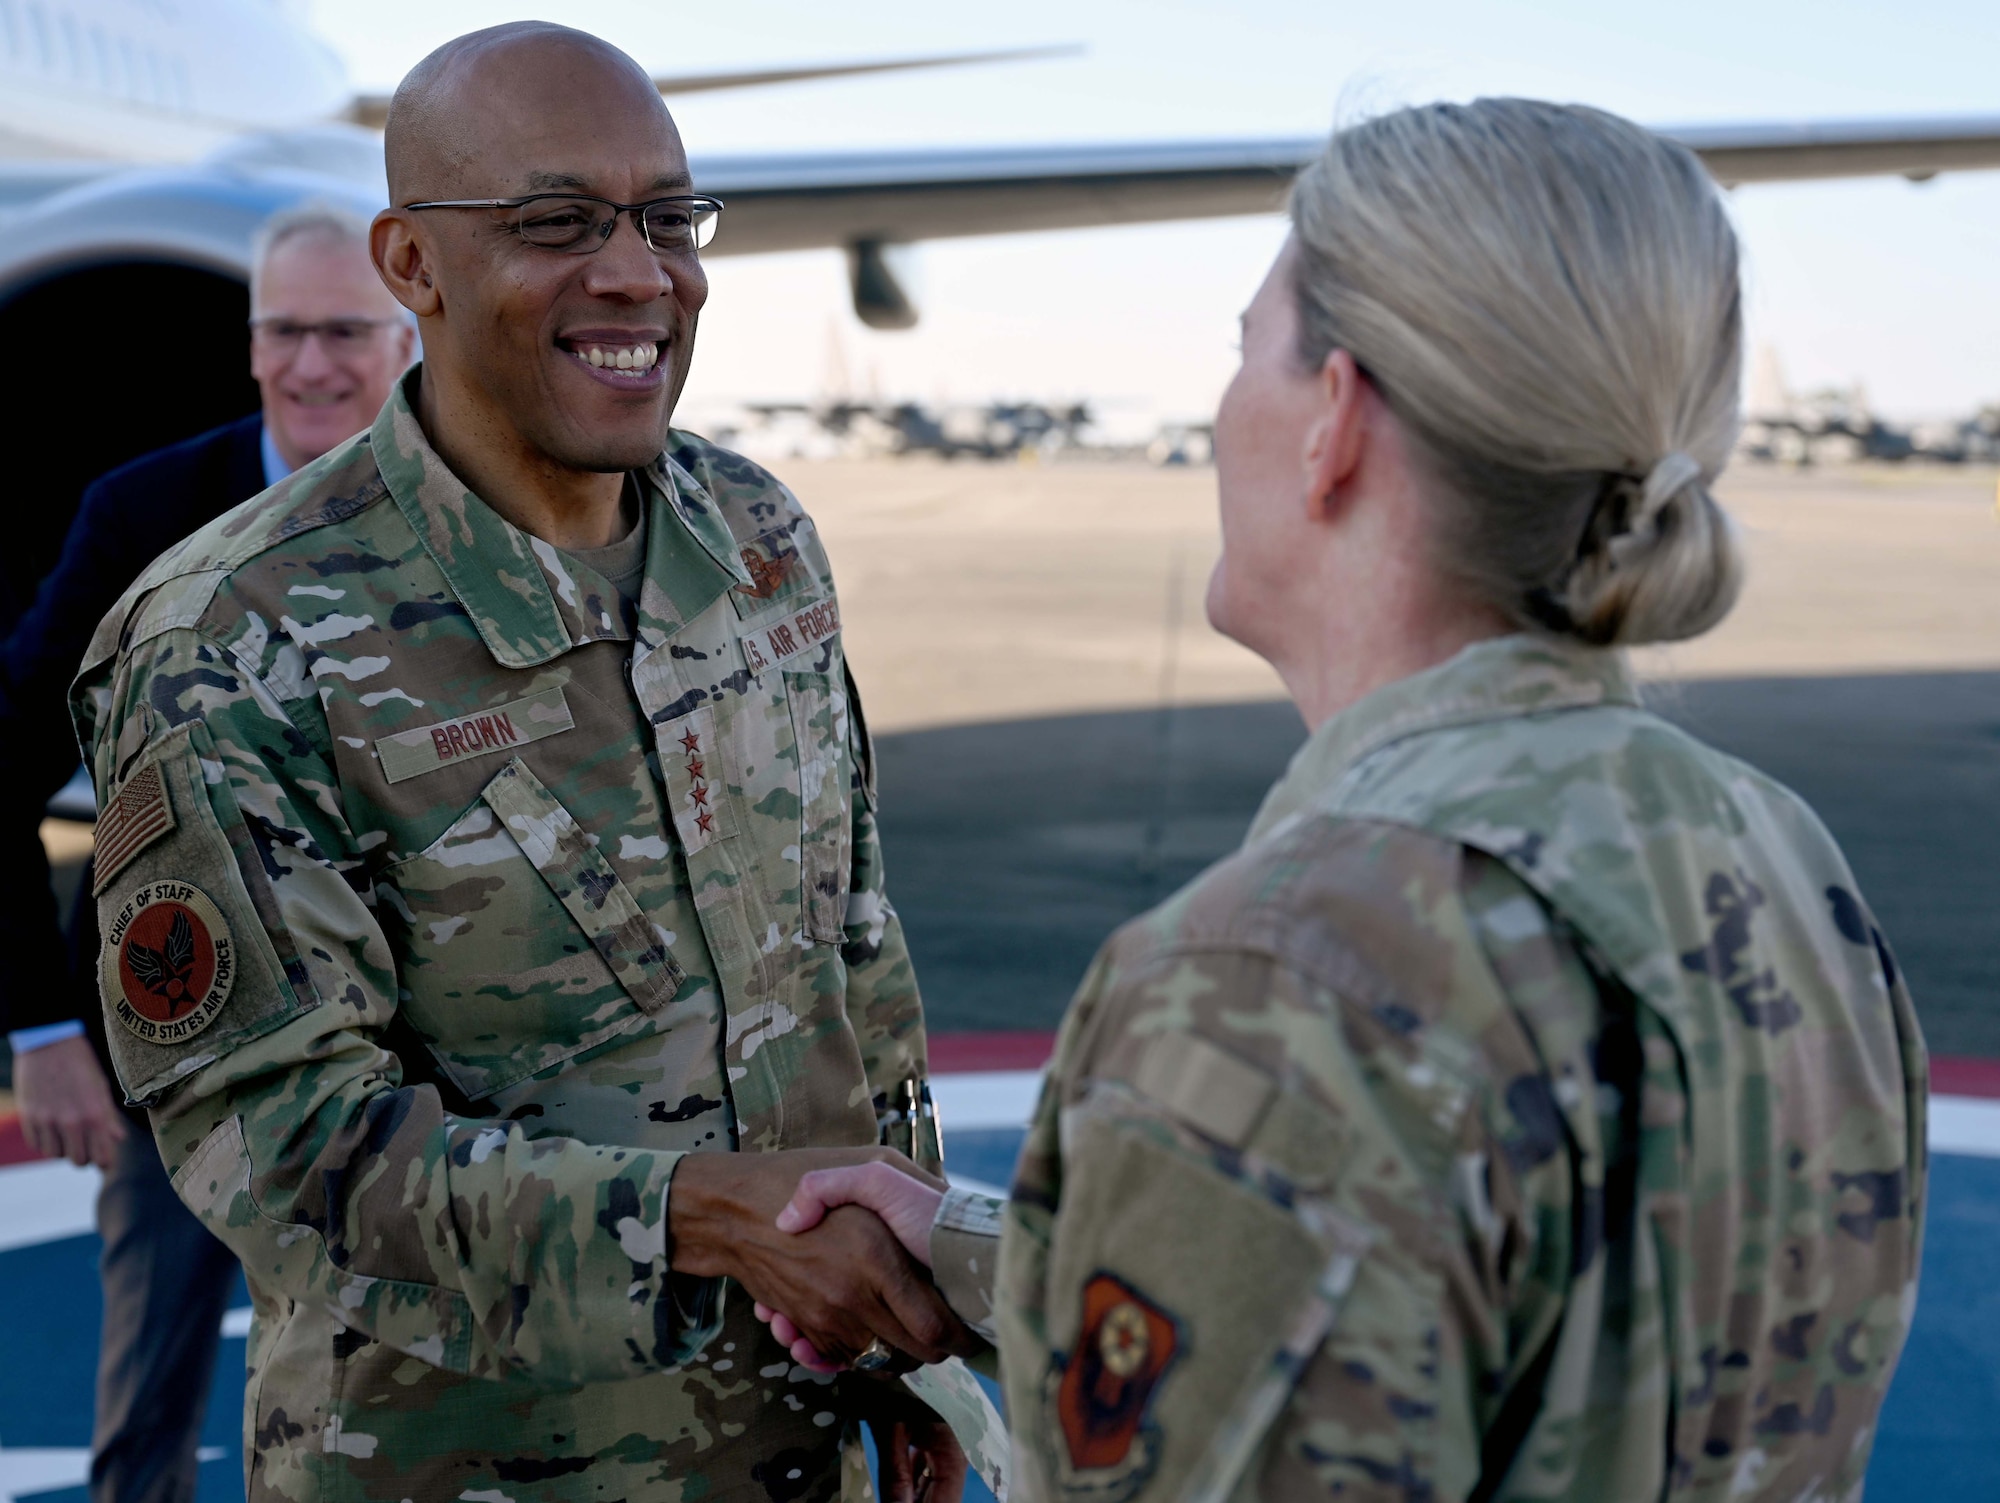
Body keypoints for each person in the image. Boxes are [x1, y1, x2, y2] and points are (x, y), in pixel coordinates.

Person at [760, 100, 1928, 1501]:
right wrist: (963, 1248)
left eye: (1245, 350)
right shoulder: (1774, 856)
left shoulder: (1281, 974)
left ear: (1335, 420)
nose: (1218, 414)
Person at [70, 22, 997, 1503]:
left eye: (667, 218)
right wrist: (710, 1221)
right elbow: (288, 1155)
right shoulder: (233, 640)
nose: (639, 273)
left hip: (802, 1460)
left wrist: (905, 1363)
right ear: (411, 265)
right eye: (555, 224)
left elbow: (854, 983)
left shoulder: (755, 545)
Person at [2, 200, 412, 1503]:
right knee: (146, 1428)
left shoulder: (489, 509)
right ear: (246, 345)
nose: (311, 366)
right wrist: (36, 1029)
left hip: (419, 1067)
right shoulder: (142, 515)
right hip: (175, 1051)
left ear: (411, 339)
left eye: (344, 330)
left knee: (406, 1417)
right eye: (284, 331)